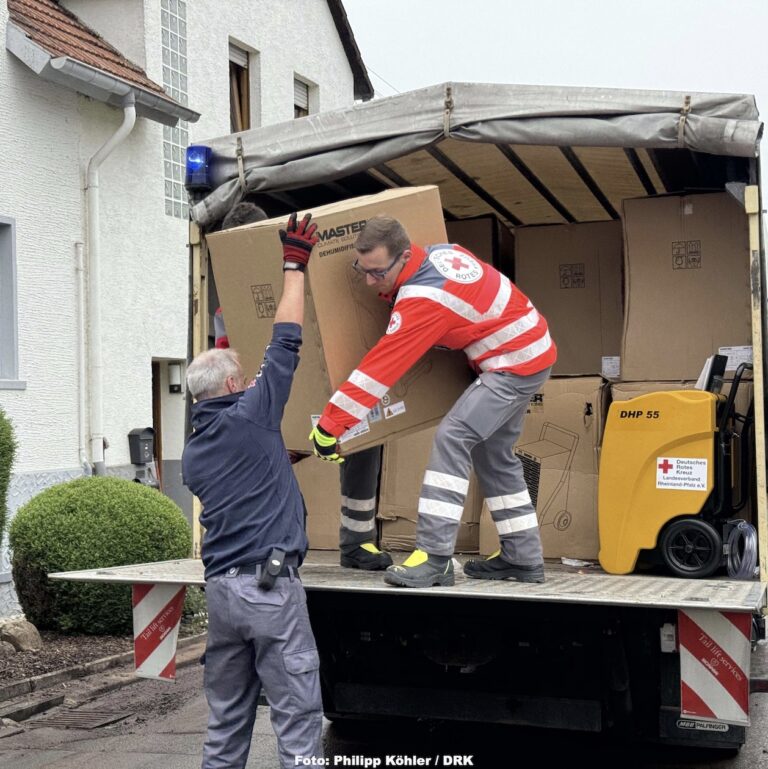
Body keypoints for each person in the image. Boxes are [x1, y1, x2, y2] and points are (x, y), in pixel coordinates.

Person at [308, 215, 557, 588]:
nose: (370, 281)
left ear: (404, 256)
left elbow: (379, 371)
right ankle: (522, 557)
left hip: (513, 363)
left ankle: (435, 556)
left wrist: (329, 426)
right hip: (528, 351)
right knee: (493, 454)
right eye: (363, 270)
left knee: (454, 436)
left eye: (378, 272)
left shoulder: (423, 299)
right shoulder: (440, 255)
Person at [182, 212, 322, 768]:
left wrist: (277, 459)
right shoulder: (251, 415)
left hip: (221, 595)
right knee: (296, 716)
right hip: (270, 591)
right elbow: (285, 343)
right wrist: (294, 263)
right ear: (235, 386)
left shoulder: (195, 452)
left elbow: (239, 477)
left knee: (227, 719)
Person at [213, 203, 392, 572]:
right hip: (266, 403)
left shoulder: (301, 272)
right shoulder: (232, 300)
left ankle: (357, 541)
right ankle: (263, 544)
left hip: (312, 394)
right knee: (263, 469)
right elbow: (232, 361)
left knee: (361, 434)